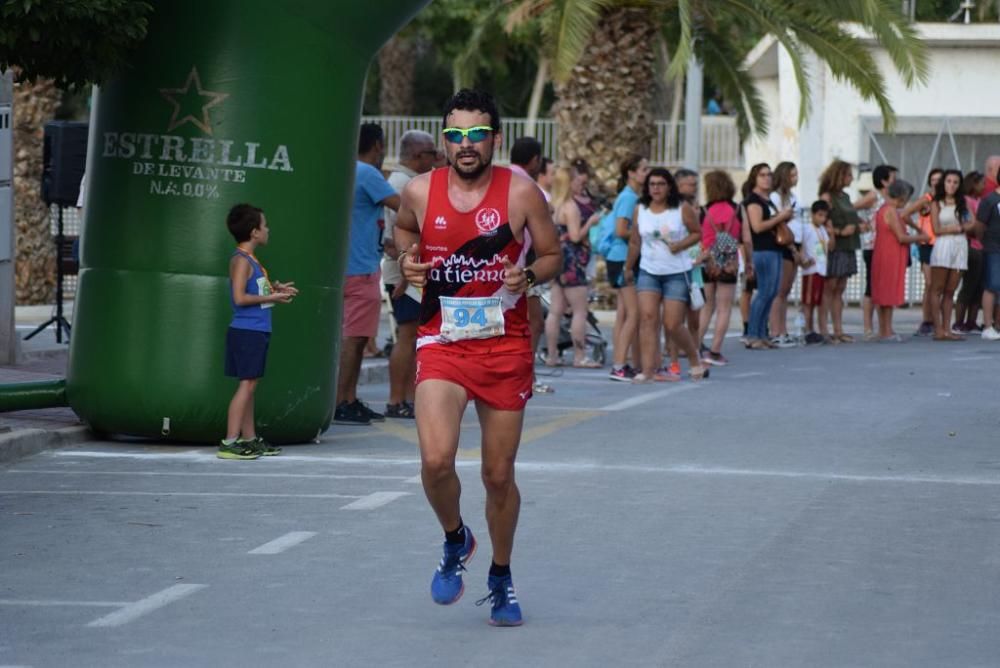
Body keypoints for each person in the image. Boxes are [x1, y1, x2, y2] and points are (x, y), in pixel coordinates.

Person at [394, 89, 561, 627]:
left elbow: (553, 252)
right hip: (441, 339)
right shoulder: (420, 191)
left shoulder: (521, 193)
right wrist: (406, 259)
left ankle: (501, 576)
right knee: (436, 461)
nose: (466, 146)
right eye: (456, 136)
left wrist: (529, 274)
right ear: (445, 141)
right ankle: (454, 538)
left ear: (495, 139)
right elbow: (402, 232)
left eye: (476, 135)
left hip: (504, 344)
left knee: (497, 474)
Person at [334, 123, 400, 425]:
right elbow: (402, 206)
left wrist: (385, 241)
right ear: (376, 145)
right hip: (360, 269)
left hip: (353, 263)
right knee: (355, 338)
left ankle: (348, 398)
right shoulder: (368, 173)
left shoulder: (347, 170)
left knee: (358, 338)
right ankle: (341, 401)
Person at [219, 204, 297, 460]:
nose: (267, 229)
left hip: (255, 330)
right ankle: (230, 441)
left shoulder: (250, 260)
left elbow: (253, 290)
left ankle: (249, 438)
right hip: (247, 330)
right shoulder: (241, 260)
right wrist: (274, 297)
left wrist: (274, 288)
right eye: (264, 225)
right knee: (247, 385)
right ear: (254, 232)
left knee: (250, 385)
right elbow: (239, 297)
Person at [625, 168, 709, 381]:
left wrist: (680, 245)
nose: (656, 188)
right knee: (647, 319)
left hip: (676, 272)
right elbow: (635, 241)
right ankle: (648, 370)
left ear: (669, 186)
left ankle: (693, 358)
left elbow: (697, 233)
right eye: (652, 184)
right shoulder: (641, 209)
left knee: (672, 323)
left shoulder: (681, 208)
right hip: (648, 270)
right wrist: (627, 267)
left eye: (661, 184)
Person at [381, 130, 438, 419]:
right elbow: (401, 233)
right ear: (418, 155)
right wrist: (406, 276)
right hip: (404, 274)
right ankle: (396, 399)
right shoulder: (406, 184)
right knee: (407, 335)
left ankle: (407, 398)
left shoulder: (406, 182)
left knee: (415, 335)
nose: (437, 158)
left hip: (409, 273)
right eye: (432, 153)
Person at [544, 162, 603, 367]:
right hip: (573, 262)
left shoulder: (557, 205)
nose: (580, 183)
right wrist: (591, 223)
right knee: (580, 310)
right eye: (576, 180)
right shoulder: (571, 207)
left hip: (559, 261)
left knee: (555, 311)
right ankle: (580, 356)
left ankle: (552, 355)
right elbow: (576, 236)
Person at [509, 136, 554, 394]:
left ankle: (524, 374)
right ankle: (525, 375)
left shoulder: (502, 179)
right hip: (522, 265)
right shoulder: (530, 188)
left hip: (499, 262)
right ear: (535, 160)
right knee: (533, 323)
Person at [698, 170, 750, 365]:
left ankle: (696, 345)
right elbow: (746, 239)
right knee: (724, 308)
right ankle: (715, 350)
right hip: (728, 258)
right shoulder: (738, 209)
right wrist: (749, 262)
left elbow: (699, 238)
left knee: (707, 305)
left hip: (708, 258)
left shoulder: (703, 210)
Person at [606, 154, 649, 381]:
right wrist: (645, 232)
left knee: (624, 313)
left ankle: (625, 362)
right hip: (623, 257)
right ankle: (620, 365)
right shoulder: (629, 198)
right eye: (643, 169)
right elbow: (620, 230)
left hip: (619, 257)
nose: (646, 173)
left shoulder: (630, 196)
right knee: (634, 313)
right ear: (631, 173)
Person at [743, 163, 794, 349]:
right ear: (754, 178)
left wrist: (783, 217)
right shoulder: (754, 201)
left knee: (772, 292)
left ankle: (762, 334)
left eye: (769, 174)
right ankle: (753, 334)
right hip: (761, 249)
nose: (767, 178)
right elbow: (757, 227)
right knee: (764, 293)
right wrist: (780, 218)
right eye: (762, 175)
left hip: (774, 248)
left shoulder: (768, 200)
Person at [872, 180, 928, 341]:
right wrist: (921, 236)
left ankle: (884, 329)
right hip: (890, 255)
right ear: (901, 197)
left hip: (882, 253)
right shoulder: (890, 210)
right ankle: (887, 330)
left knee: (882, 292)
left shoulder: (883, 209)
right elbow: (901, 237)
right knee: (888, 293)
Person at [818, 160, 861, 344]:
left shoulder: (845, 196)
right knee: (830, 287)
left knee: (840, 288)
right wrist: (839, 232)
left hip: (848, 246)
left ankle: (838, 329)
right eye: (848, 175)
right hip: (835, 247)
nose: (851, 178)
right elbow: (821, 222)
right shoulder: (827, 197)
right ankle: (824, 329)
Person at [929, 169, 973, 341]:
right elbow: (936, 229)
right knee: (937, 288)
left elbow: (972, 222)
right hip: (944, 245)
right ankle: (938, 328)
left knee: (950, 290)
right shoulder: (936, 202)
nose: (952, 185)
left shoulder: (963, 202)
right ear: (943, 183)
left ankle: (948, 328)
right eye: (949, 181)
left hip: (960, 245)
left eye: (955, 182)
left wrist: (962, 228)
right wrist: (954, 228)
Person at [856, 165, 899, 340]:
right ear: (883, 180)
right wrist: (862, 223)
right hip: (873, 246)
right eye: (892, 177)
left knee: (885, 287)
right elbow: (851, 208)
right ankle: (868, 327)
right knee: (871, 286)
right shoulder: (874, 195)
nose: (895, 181)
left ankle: (885, 328)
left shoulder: (892, 198)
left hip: (888, 246)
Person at [768, 162, 805, 347]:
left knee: (786, 290)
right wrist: (792, 248)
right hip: (785, 244)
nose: (795, 178)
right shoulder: (775, 197)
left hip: (796, 242)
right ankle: (775, 330)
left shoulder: (793, 196)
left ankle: (783, 329)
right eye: (792, 175)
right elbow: (779, 223)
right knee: (780, 291)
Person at [954, 171, 986, 333]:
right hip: (971, 245)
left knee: (978, 286)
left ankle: (971, 321)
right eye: (981, 183)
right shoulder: (966, 201)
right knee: (969, 285)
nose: (984, 186)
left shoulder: (980, 200)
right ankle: (959, 321)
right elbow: (972, 224)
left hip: (982, 246)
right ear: (973, 184)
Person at [914, 169, 944, 336]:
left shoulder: (946, 200)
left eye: (939, 179)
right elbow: (907, 214)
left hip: (942, 243)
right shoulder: (926, 199)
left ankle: (937, 319)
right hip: (927, 244)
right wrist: (919, 232)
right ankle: (927, 319)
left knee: (940, 285)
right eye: (933, 179)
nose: (936, 182)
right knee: (930, 283)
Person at [800, 200, 832, 344]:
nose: (822, 219)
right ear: (812, 214)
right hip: (811, 270)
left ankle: (814, 330)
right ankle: (808, 329)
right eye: (819, 215)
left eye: (824, 216)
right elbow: (800, 245)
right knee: (808, 301)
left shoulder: (823, 230)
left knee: (817, 300)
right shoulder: (806, 228)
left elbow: (829, 246)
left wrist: (831, 232)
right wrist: (804, 260)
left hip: (821, 268)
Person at [977, 162, 1000, 340]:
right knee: (992, 285)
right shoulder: (990, 200)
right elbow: (980, 226)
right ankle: (987, 326)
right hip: (993, 247)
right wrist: (983, 241)